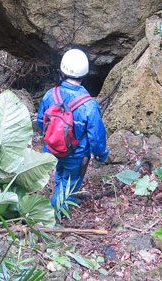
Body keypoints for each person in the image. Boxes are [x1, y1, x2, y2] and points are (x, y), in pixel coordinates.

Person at [37, 48, 109, 208]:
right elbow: (96, 136)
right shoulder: (89, 104)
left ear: (62, 72)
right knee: (71, 181)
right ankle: (57, 213)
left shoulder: (50, 94)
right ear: (84, 75)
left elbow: (41, 122)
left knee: (60, 173)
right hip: (75, 155)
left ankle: (61, 196)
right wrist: (100, 154)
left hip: (52, 149)